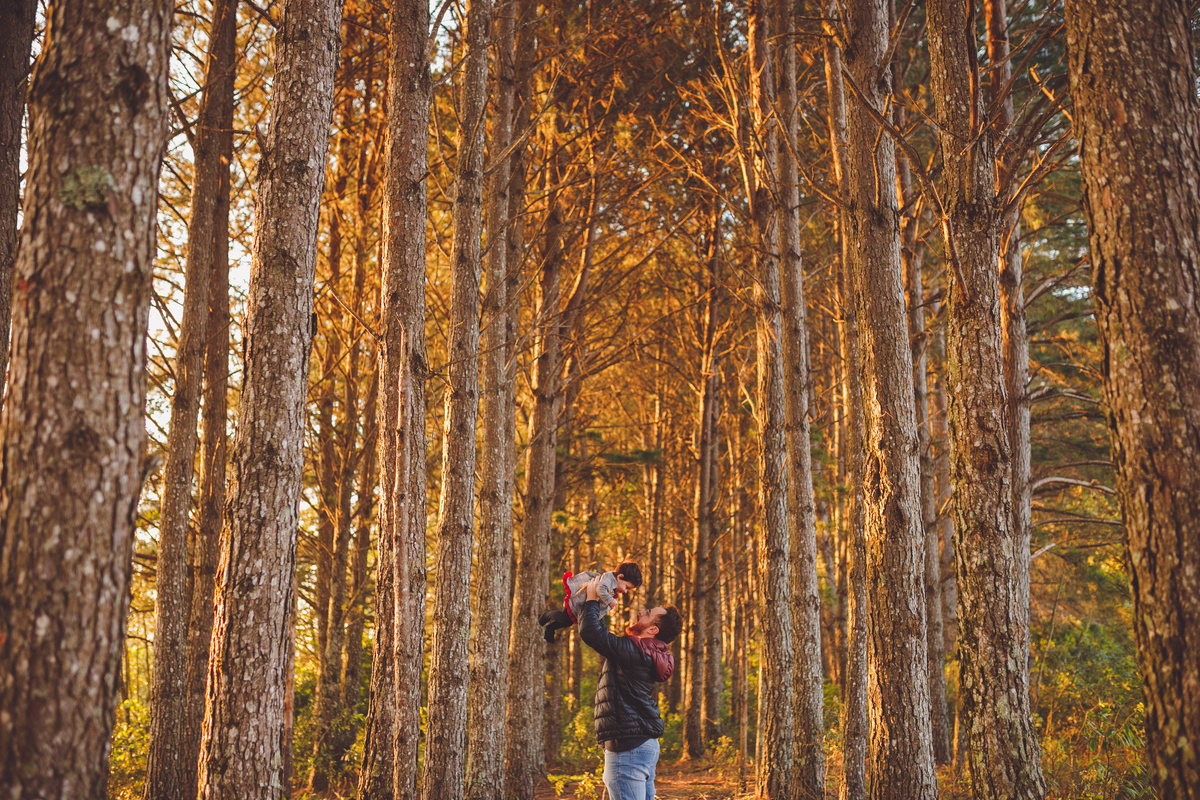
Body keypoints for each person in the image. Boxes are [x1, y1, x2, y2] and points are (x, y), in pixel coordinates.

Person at [578, 575, 683, 800]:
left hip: (629, 749)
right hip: (643, 744)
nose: (640, 612)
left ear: (653, 630)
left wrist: (591, 600)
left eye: (647, 613)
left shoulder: (635, 652)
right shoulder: (644, 653)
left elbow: (591, 633)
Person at [538, 561, 643, 643]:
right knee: (562, 617)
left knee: (567, 622)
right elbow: (600, 589)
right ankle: (545, 615)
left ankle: (550, 628)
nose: (625, 591)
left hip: (581, 605)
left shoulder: (613, 588)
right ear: (620, 577)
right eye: (626, 587)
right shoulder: (609, 579)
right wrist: (610, 601)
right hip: (577, 601)